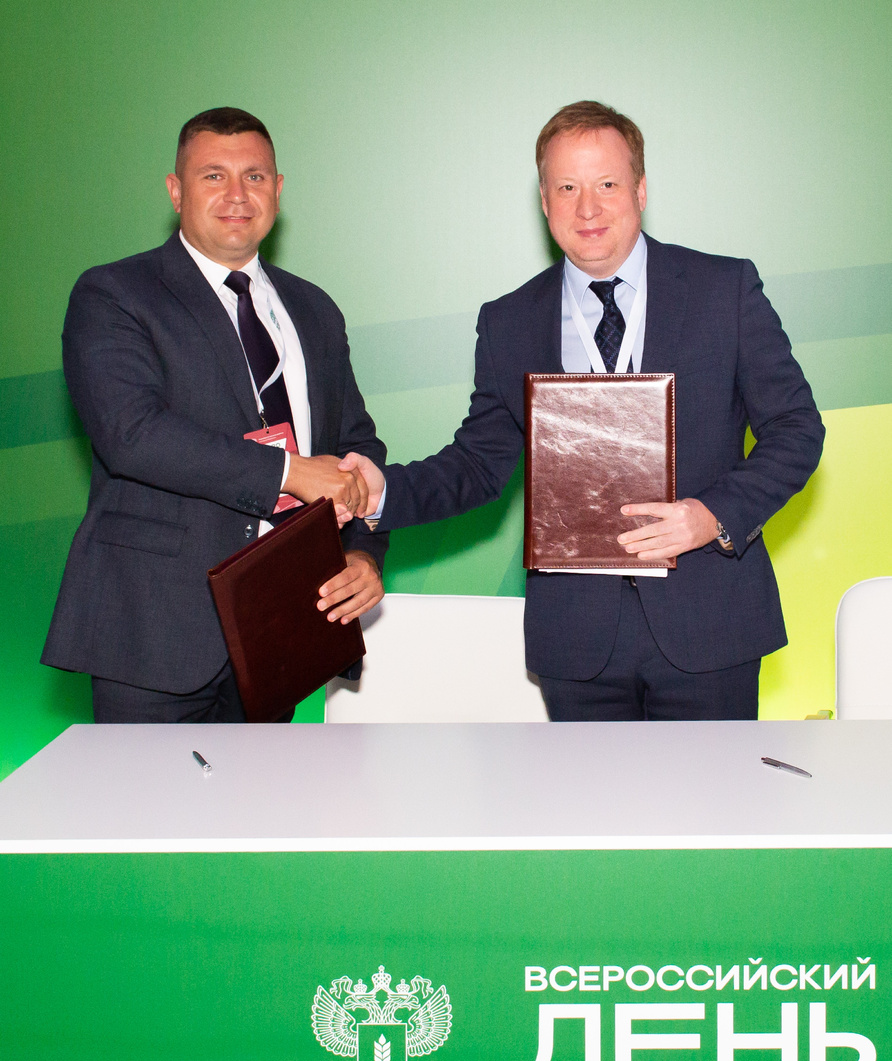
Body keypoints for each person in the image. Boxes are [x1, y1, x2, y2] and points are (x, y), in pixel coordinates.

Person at [340, 101, 824, 721]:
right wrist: (382, 491)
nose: (587, 208)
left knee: (713, 791)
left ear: (641, 190)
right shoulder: (509, 321)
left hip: (709, 627)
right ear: (544, 201)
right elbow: (478, 464)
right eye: (567, 187)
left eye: (607, 185)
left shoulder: (723, 290)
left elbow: (796, 430)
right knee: (585, 791)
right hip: (577, 641)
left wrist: (711, 517)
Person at [42, 108, 387, 722]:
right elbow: (132, 435)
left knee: (267, 789)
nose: (237, 195)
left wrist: (361, 552)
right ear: (175, 191)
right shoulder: (114, 294)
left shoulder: (313, 308)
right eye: (213, 176)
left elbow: (357, 448)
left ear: (278, 189)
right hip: (153, 631)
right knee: (146, 790)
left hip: (279, 626)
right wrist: (290, 472)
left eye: (255, 176)